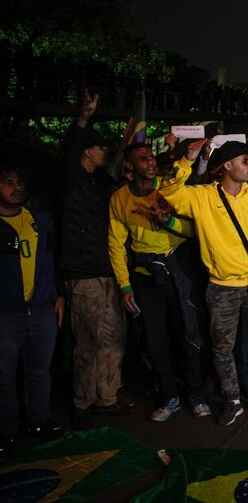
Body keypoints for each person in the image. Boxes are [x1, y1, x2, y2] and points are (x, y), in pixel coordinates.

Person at [159, 140, 248, 430]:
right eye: (244, 160)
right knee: (222, 348)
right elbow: (168, 192)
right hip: (221, 287)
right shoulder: (202, 196)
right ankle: (233, 400)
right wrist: (187, 160)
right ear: (227, 165)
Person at [108, 141, 210, 422]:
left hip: (178, 271)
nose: (150, 162)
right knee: (156, 342)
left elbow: (194, 229)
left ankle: (197, 394)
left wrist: (168, 222)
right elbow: (116, 245)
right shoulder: (119, 199)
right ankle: (169, 396)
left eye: (151, 157)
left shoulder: (169, 189)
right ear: (129, 168)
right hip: (145, 277)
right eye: (143, 159)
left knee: (188, 335)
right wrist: (125, 286)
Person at [60, 91, 128, 429]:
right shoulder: (72, 180)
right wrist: (84, 117)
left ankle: (107, 399)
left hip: (108, 272)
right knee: (86, 342)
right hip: (82, 274)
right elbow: (71, 146)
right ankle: (82, 403)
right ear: (89, 151)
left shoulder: (103, 183)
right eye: (102, 148)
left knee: (113, 337)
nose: (106, 153)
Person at [0, 166, 64, 454]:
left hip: (41, 309)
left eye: (20, 182)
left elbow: (53, 259)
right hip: (5, 313)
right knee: (4, 374)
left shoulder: (40, 220)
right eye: (8, 183)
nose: (16, 188)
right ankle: (6, 430)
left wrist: (58, 294)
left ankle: (37, 421)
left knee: (39, 370)